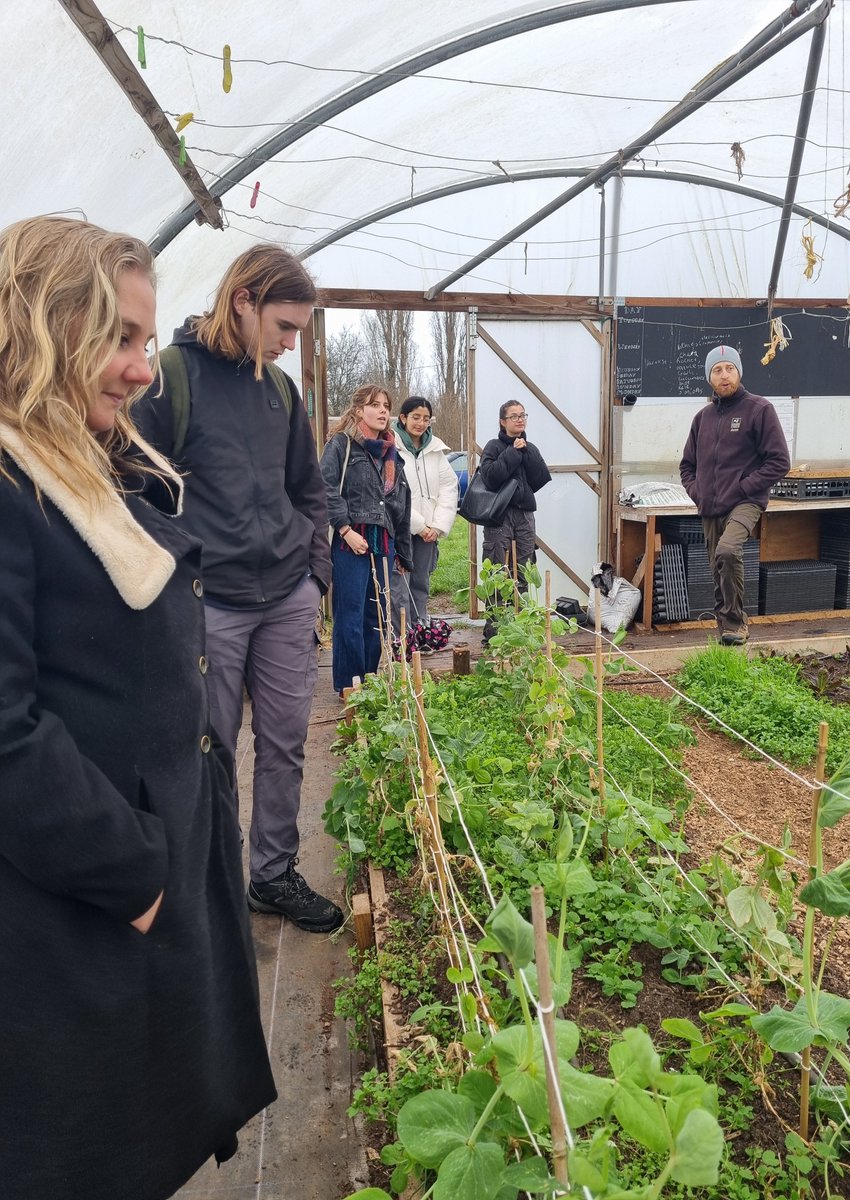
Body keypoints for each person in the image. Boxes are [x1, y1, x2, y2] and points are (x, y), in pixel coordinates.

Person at [0, 216, 275, 1199]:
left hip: (135, 886)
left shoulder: (66, 459)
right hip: (82, 906)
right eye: (118, 338)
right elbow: (4, 733)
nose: (139, 370)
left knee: (134, 1128)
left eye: (144, 341)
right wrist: (137, 875)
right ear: (42, 328)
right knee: (82, 1147)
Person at [136, 245, 342, 934]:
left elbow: (307, 490)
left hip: (286, 596)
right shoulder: (172, 378)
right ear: (245, 299)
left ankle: (273, 875)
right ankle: (209, 882)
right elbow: (133, 491)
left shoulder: (281, 392)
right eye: (284, 327)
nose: (290, 344)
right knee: (209, 746)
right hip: (210, 604)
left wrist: (313, 578)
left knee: (285, 743)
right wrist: (176, 585)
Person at [680, 345, 790, 646]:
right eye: (717, 370)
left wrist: (745, 487)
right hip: (710, 505)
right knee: (718, 565)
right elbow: (687, 465)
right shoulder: (702, 419)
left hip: (746, 501)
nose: (724, 375)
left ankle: (736, 623)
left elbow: (780, 461)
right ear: (709, 378)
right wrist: (697, 492)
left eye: (729, 368)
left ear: (739, 372)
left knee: (727, 550)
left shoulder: (759, 409)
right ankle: (727, 631)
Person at [320, 385, 413, 693]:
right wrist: (344, 529)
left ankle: (370, 681)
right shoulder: (341, 446)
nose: (383, 410)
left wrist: (402, 552)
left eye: (386, 405)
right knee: (350, 614)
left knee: (377, 614)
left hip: (382, 541)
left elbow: (400, 503)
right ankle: (349, 685)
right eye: (375, 405)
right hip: (351, 541)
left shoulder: (392, 455)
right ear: (359, 410)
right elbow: (325, 487)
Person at [479, 399, 551, 639]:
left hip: (525, 516)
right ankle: (495, 631)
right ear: (502, 421)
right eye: (514, 416)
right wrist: (512, 452)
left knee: (523, 570)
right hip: (499, 517)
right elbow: (490, 478)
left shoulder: (530, 447)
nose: (520, 419)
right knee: (498, 570)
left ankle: (520, 629)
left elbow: (540, 479)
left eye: (523, 415)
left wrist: (525, 452)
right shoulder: (493, 447)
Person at [390, 395, 459, 638]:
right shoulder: (391, 447)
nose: (421, 423)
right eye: (416, 417)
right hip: (402, 529)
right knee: (401, 584)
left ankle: (420, 628)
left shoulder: (435, 450)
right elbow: (393, 493)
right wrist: (419, 525)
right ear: (403, 418)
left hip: (429, 532)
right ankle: (401, 634)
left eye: (426, 419)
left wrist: (437, 526)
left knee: (421, 581)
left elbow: (449, 487)